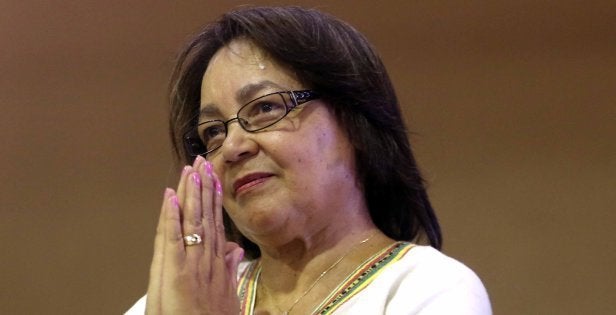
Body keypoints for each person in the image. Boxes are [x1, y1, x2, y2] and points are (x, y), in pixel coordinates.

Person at [126, 6, 491, 315]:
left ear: (354, 122)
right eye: (213, 132)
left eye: (266, 108)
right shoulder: (177, 303)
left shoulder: (429, 288)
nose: (233, 146)